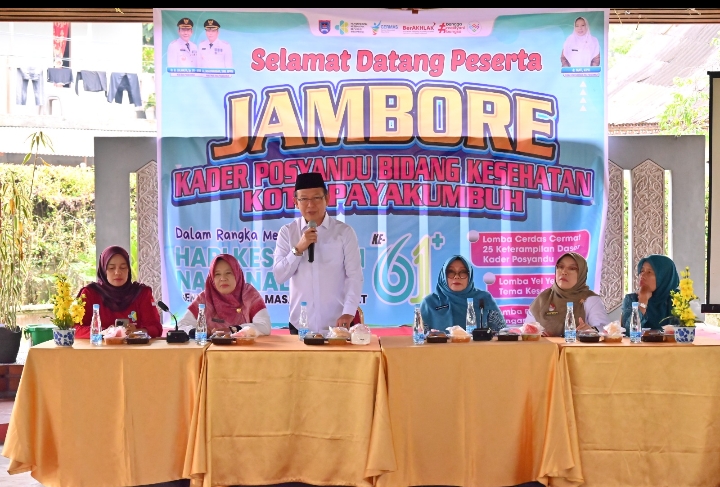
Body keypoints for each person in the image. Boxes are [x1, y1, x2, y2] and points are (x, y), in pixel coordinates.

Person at [273, 172, 363, 334]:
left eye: (316, 198)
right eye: (304, 199)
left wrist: (349, 312)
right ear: (296, 202)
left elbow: (354, 276)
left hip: (337, 324)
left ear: (327, 199)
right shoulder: (287, 232)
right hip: (300, 325)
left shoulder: (344, 232)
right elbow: (279, 276)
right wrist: (298, 248)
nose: (310, 204)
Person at [75, 246, 162, 338]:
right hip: (100, 346)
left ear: (128, 269)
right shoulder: (90, 294)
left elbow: (156, 328)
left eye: (123, 267)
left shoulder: (141, 293)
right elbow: (75, 328)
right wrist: (104, 332)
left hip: (134, 347)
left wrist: (137, 331)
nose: (117, 272)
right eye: (111, 268)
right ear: (103, 270)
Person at [177, 254, 271, 336]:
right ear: (212, 278)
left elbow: (265, 326)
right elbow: (181, 325)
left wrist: (234, 329)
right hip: (212, 349)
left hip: (244, 349)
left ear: (237, 274)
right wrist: (199, 331)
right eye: (217, 274)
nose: (223, 278)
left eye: (228, 273)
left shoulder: (248, 294)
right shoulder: (205, 297)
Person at [526, 252, 609, 336]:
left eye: (572, 268)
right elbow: (527, 331)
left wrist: (591, 331)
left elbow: (604, 331)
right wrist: (536, 334)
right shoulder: (543, 299)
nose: (564, 272)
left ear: (581, 274)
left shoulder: (589, 299)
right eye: (560, 267)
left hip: (579, 345)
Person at [420, 255, 505, 331]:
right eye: (451, 272)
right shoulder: (430, 302)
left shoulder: (484, 298)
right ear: (443, 276)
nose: (457, 277)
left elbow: (501, 332)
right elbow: (420, 336)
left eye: (463, 272)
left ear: (470, 276)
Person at [621, 254, 680, 331]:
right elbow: (628, 331)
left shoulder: (677, 299)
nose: (642, 275)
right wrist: (642, 302)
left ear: (663, 277)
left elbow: (684, 330)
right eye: (642, 271)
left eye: (649, 272)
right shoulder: (632, 299)